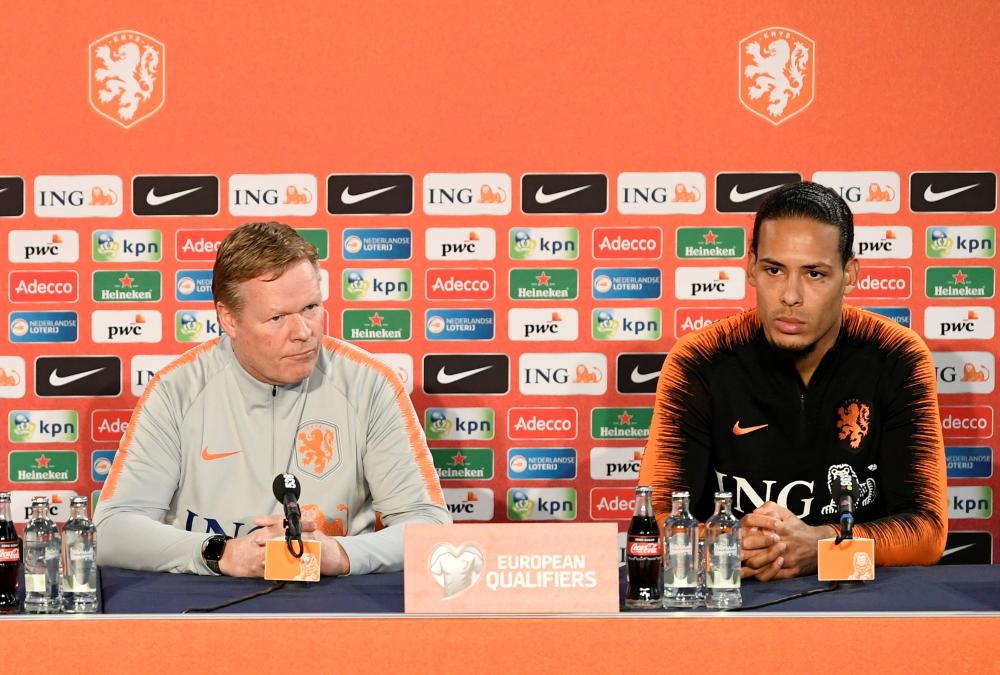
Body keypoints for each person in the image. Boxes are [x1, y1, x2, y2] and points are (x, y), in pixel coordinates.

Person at [94, 221, 451, 577]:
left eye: (311, 307)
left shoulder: (371, 385)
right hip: (208, 607)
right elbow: (113, 530)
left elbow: (429, 527)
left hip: (334, 605)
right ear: (229, 319)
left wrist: (341, 554)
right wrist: (221, 553)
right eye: (277, 317)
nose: (304, 332)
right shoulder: (176, 390)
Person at [639, 181, 947, 581]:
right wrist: (729, 543)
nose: (790, 295)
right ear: (750, 268)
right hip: (734, 602)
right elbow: (657, 519)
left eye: (815, 273)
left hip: (864, 608)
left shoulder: (895, 356)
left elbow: (927, 533)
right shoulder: (701, 360)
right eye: (773, 270)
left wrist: (823, 548)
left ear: (849, 275)